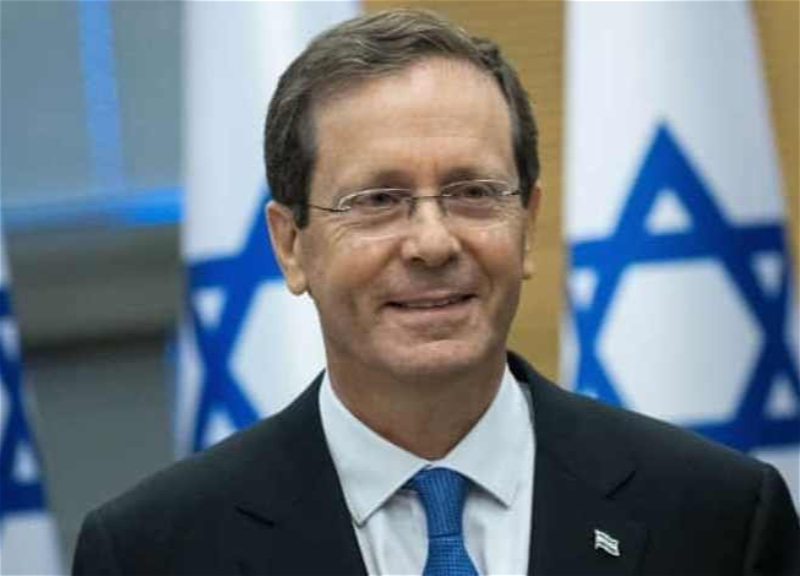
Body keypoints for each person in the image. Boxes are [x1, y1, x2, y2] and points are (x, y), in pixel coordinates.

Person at [73, 9, 799, 576]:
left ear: (528, 225)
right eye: (378, 200)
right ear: (291, 245)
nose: (432, 242)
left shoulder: (718, 516)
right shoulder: (152, 553)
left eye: (473, 192)